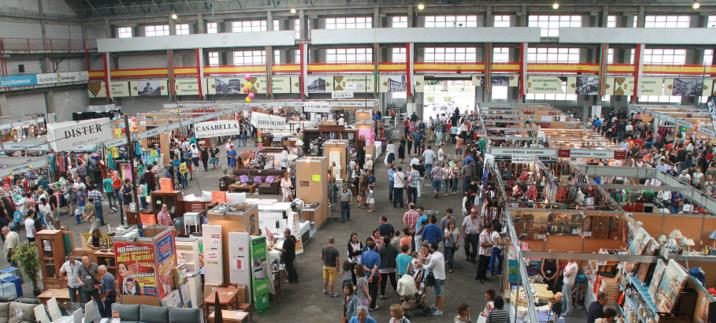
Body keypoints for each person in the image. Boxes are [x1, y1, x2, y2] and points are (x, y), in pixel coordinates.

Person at [424, 243, 445, 316]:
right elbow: (431, 258)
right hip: (441, 276)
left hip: (437, 277)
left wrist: (421, 265)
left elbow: (428, 267)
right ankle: (436, 306)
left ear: (432, 248)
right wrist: (425, 258)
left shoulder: (434, 258)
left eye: (429, 247)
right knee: (438, 293)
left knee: (440, 294)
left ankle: (440, 310)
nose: (429, 248)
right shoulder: (439, 254)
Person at [361, 240, 381, 311]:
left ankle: (366, 304)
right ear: (375, 247)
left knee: (367, 290)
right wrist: (371, 276)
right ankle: (372, 306)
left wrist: (368, 270)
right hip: (374, 276)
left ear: (368, 247)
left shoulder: (364, 254)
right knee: (374, 291)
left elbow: (363, 265)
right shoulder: (377, 255)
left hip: (365, 274)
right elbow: (375, 267)